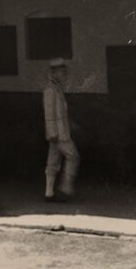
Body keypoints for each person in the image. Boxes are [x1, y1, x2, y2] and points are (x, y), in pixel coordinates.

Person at [43, 57, 80, 202]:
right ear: (54, 72)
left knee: (52, 162)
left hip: (59, 133)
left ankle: (49, 193)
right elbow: (49, 114)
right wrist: (52, 133)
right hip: (59, 134)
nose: (64, 74)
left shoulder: (57, 89)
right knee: (73, 156)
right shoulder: (50, 90)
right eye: (61, 71)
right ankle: (66, 189)